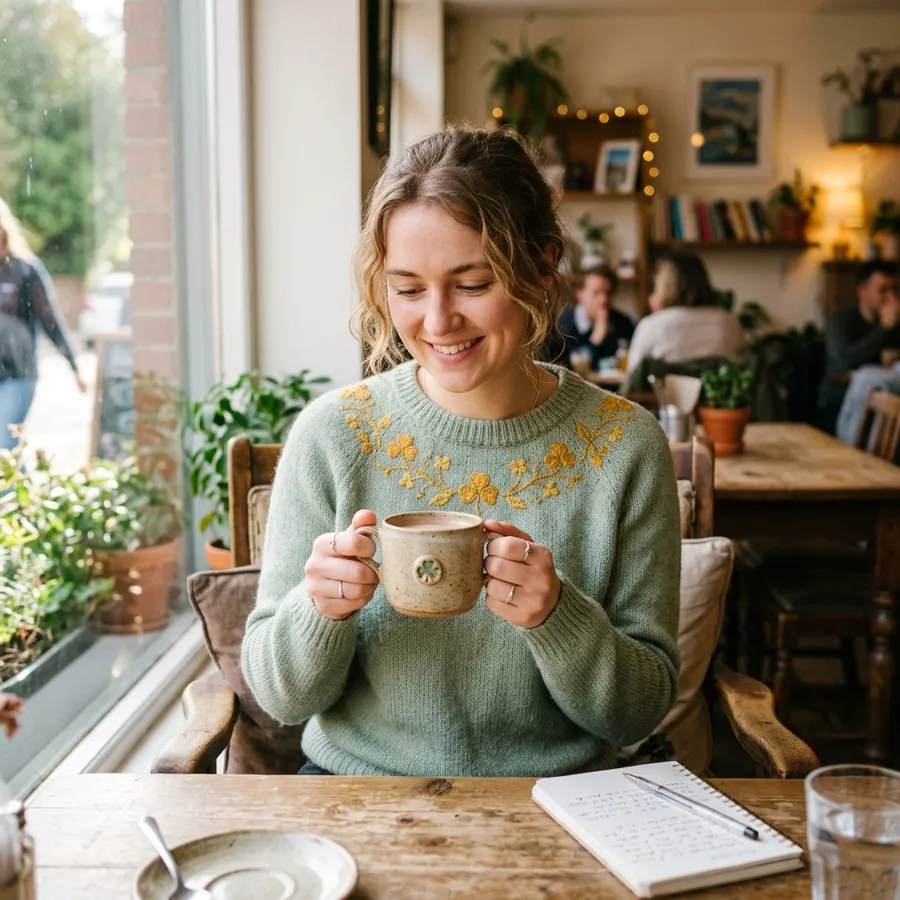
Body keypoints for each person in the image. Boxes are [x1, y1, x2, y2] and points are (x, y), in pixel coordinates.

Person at [241, 125, 681, 779]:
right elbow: (281, 698)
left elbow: (638, 712)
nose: (437, 321)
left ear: (541, 267)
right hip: (354, 793)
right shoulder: (332, 436)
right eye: (409, 289)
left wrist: (557, 616)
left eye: (473, 284)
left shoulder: (625, 445)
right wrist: (320, 609)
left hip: (560, 804)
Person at [0, 200, 86, 451]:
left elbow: (51, 321)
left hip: (18, 374)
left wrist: (74, 366)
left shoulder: (26, 271)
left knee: (4, 445)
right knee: (7, 453)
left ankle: (15, 489)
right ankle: (26, 488)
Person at [626, 252, 747, 373]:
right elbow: (743, 367)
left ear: (662, 286)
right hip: (719, 391)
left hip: (665, 392)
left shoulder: (652, 325)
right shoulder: (729, 322)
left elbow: (633, 375)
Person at [818, 260, 900, 435]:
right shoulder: (840, 318)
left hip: (888, 403)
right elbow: (843, 361)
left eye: (895, 290)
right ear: (862, 291)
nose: (891, 298)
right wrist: (884, 328)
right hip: (840, 400)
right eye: (883, 290)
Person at [554, 265, 635, 371]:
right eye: (596, 293)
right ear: (579, 294)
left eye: (608, 292)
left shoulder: (624, 323)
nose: (603, 299)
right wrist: (596, 337)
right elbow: (569, 367)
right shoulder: (564, 324)